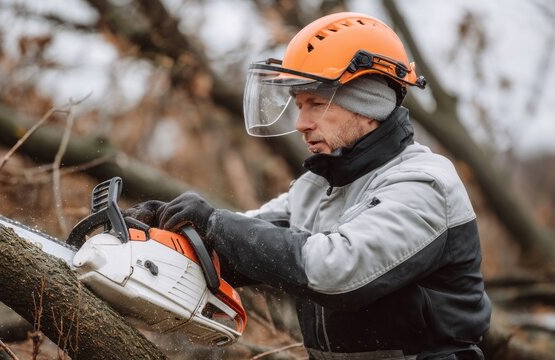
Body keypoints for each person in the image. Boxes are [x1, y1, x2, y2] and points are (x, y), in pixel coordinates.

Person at [126, 12, 491, 360]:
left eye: (315, 103)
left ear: (369, 105)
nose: (301, 122)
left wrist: (216, 224)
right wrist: (165, 226)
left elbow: (333, 269)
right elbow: (249, 242)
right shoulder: (319, 186)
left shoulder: (424, 183)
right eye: (299, 105)